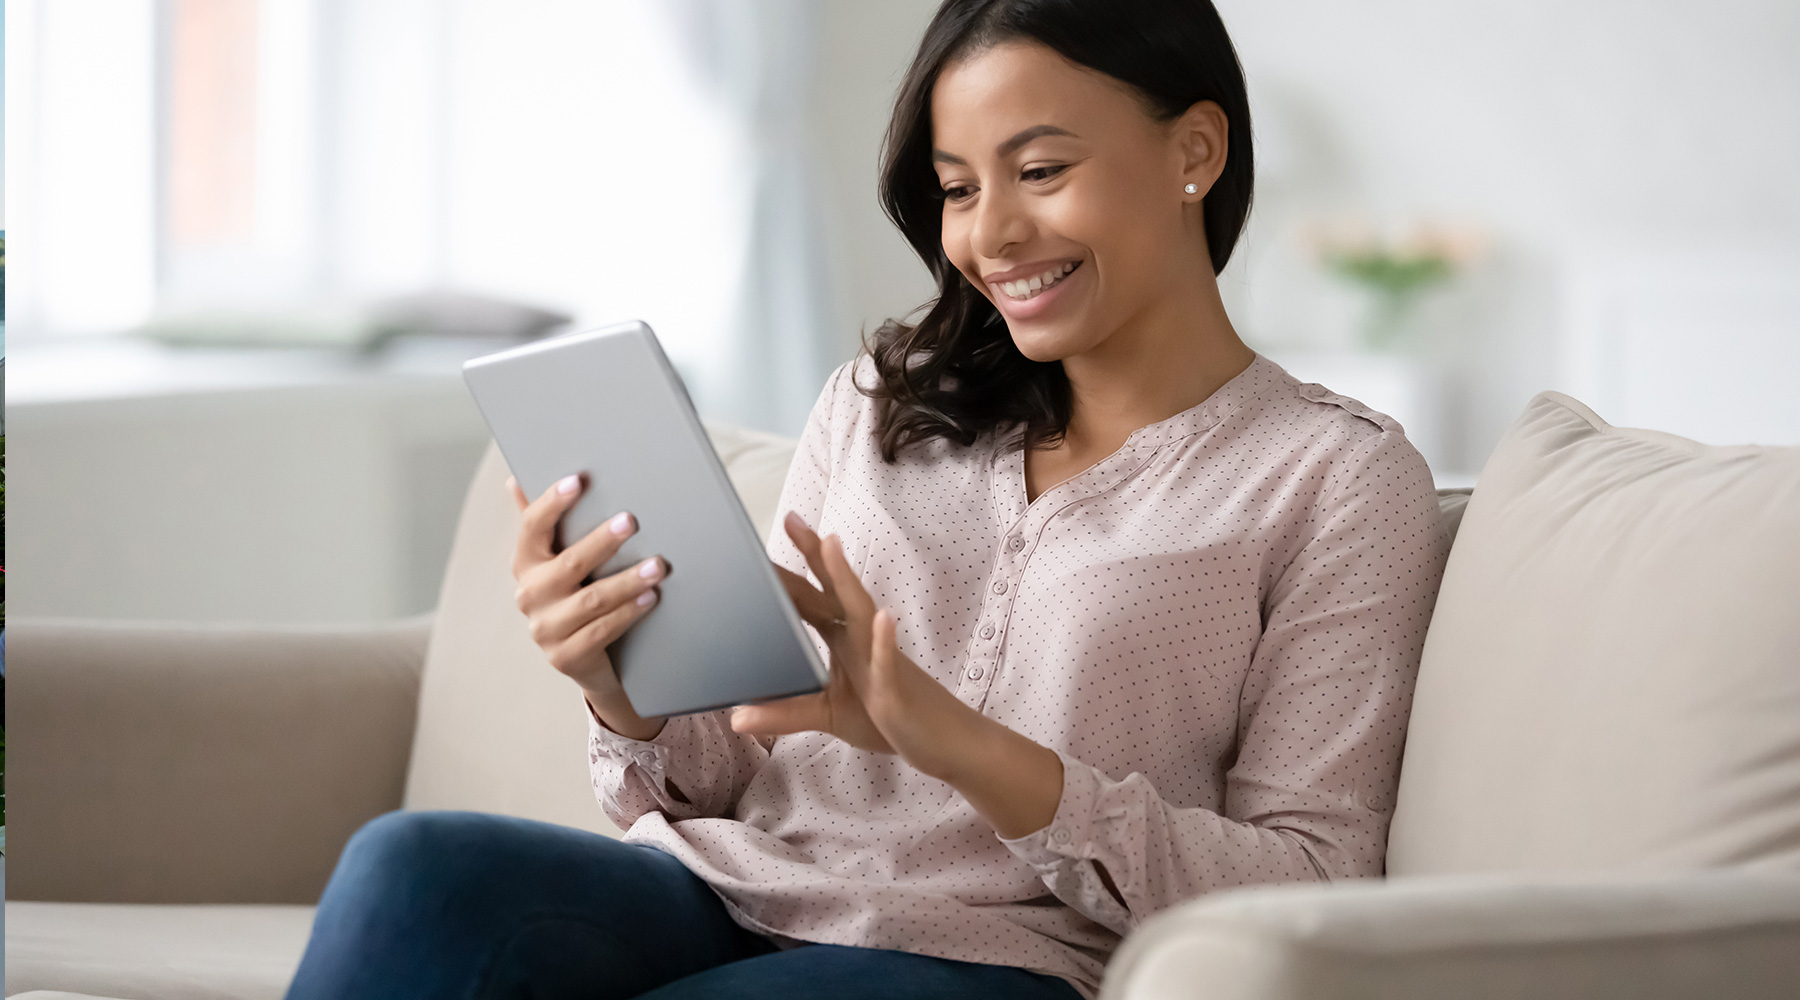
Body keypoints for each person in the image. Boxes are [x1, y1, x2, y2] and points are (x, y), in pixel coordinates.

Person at [285, 1, 1450, 997]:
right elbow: (737, 763)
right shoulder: (883, 402)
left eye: (1041, 170)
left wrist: (961, 746)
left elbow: (1311, 885)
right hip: (733, 889)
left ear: (1195, 149)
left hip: (1001, 957)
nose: (990, 234)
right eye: (956, 188)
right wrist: (620, 685)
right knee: (412, 868)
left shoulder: (1334, 479)